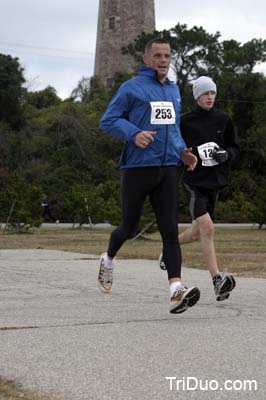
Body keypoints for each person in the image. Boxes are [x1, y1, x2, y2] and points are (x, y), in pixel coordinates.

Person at [97, 38, 200, 314]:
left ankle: (176, 289)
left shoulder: (175, 91)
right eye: (157, 55)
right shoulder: (132, 88)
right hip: (136, 169)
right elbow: (108, 120)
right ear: (146, 59)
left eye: (167, 55)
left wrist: (182, 153)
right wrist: (134, 133)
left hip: (167, 169)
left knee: (170, 230)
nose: (163, 59)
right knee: (129, 228)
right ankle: (108, 258)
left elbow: (173, 130)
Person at [159, 76, 240, 301]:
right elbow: (174, 145)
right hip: (193, 183)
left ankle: (169, 249)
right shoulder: (185, 121)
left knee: (197, 233)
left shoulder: (224, 120)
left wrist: (227, 154)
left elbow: (235, 148)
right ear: (196, 97)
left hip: (214, 183)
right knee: (208, 228)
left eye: (213, 93)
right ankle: (217, 280)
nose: (210, 97)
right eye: (205, 93)